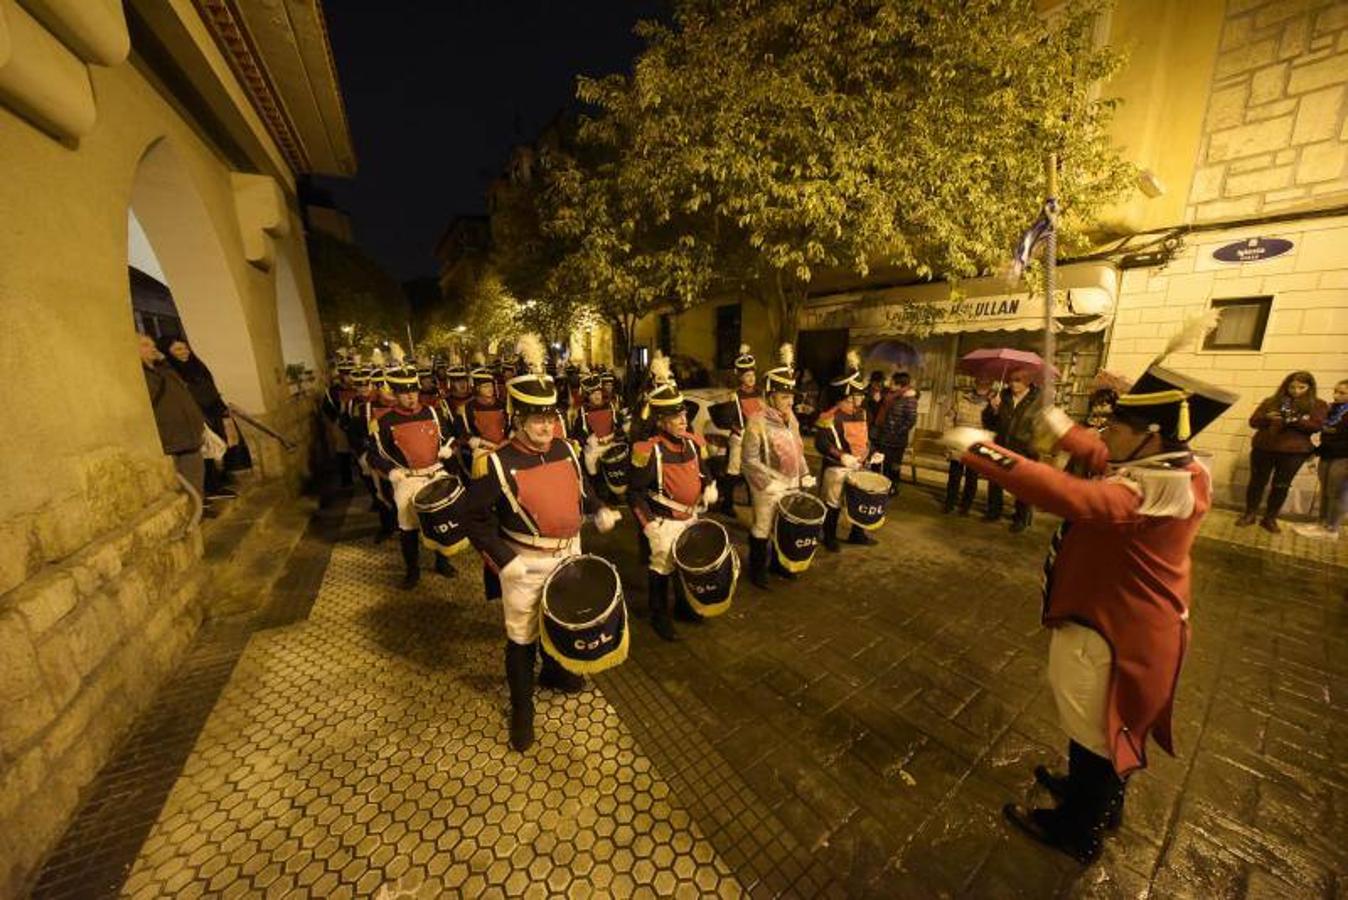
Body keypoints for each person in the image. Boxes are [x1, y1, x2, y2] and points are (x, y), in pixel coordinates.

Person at [945, 349, 1238, 865]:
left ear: (1151, 433)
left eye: (1118, 426)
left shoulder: (1154, 489)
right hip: (1121, 619)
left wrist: (984, 453)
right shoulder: (1168, 466)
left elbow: (1076, 497)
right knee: (1098, 728)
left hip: (1112, 629)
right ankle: (1095, 799)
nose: (1106, 435)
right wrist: (1059, 427)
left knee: (1098, 731)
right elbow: (1102, 456)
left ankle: (1079, 828)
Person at [462, 336, 621, 751]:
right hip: (525, 562)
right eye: (536, 420)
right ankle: (521, 708)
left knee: (562, 619)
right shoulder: (498, 462)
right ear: (517, 420)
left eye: (550, 418)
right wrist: (502, 558)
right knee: (522, 636)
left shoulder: (567, 451)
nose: (545, 427)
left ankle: (554, 671)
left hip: (570, 553)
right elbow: (471, 517)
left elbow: (582, 494)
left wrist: (598, 509)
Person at [629, 378, 717, 641]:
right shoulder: (648, 451)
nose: (682, 420)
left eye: (683, 414)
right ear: (660, 421)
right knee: (662, 569)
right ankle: (659, 615)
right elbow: (634, 493)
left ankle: (683, 606)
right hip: (663, 522)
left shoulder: (693, 443)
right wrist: (649, 526)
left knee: (686, 567)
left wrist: (710, 485)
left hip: (691, 516)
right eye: (675, 416)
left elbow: (705, 473)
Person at [367, 363, 457, 589]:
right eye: (405, 392)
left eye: (413, 391)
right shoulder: (383, 422)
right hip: (408, 479)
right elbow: (374, 455)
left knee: (440, 521)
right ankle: (412, 570)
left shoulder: (433, 412)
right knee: (408, 527)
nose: (411, 397)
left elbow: (448, 437)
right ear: (395, 394)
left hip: (436, 472)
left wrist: (447, 448)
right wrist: (391, 472)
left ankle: (442, 561)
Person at [742, 344, 814, 589]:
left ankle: (779, 564)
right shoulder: (756, 422)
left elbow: (798, 449)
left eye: (791, 396)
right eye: (785, 397)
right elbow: (749, 460)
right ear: (771, 396)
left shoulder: (791, 418)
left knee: (783, 525)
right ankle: (757, 570)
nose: (790, 401)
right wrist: (767, 483)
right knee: (762, 527)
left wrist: (804, 473)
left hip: (791, 483)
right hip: (768, 486)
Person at [1239, 371, 1328, 533]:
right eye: (1292, 387)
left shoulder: (1318, 404)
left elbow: (1316, 426)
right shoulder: (1271, 401)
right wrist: (1268, 418)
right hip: (1264, 448)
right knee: (1257, 482)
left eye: (1301, 387)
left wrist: (1293, 419)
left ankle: (1270, 518)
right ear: (1286, 386)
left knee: (1281, 485)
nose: (1296, 391)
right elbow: (1253, 421)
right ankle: (1250, 514)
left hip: (1294, 452)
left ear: (1310, 387)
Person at [815, 350, 883, 551]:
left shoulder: (862, 413)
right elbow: (822, 443)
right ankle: (829, 536)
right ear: (844, 396)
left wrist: (872, 453)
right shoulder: (829, 417)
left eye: (861, 396)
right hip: (837, 468)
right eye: (856, 396)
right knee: (833, 504)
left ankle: (857, 533)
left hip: (861, 465)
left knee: (860, 500)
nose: (860, 400)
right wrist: (842, 456)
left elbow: (864, 439)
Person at [158, 336, 237, 501]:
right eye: (178, 349)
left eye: (185, 348)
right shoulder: (172, 372)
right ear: (168, 352)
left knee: (216, 449)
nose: (184, 352)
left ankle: (217, 483)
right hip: (195, 417)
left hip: (212, 412)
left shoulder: (196, 366)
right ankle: (208, 489)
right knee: (204, 453)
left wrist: (221, 407)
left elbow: (210, 387)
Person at [139, 333, 208, 507]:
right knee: (180, 490)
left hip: (190, 437)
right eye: (146, 345)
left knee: (196, 482)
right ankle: (190, 518)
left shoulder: (163, 369)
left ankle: (197, 513)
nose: (153, 348)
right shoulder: (142, 376)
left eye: (153, 344)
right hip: (172, 440)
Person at [984, 368, 1044, 532]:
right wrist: (992, 409)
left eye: (1018, 380)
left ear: (1028, 381)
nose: (1013, 383)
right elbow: (989, 423)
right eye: (1011, 380)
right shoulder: (1002, 396)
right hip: (1002, 445)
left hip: (1025, 449)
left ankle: (1020, 517)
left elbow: (1043, 426)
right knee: (996, 481)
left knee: (1022, 486)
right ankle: (994, 511)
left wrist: (1032, 443)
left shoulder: (1038, 399)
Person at [1295, 379, 1348, 540]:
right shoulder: (1333, 410)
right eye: (1335, 391)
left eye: (1342, 393)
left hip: (1344, 458)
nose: (1336, 395)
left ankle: (1332, 529)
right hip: (1328, 455)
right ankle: (1321, 523)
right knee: (1325, 491)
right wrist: (1317, 451)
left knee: (1338, 494)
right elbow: (1328, 435)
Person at [717, 344, 762, 516]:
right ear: (741, 377)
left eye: (752, 375)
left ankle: (754, 501)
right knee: (733, 471)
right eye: (747, 376)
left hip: (756, 437)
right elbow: (727, 419)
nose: (751, 378)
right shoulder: (734, 395)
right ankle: (727, 504)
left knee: (754, 470)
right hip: (739, 436)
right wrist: (739, 430)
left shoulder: (759, 393)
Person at [944, 379, 994, 514]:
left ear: (991, 384)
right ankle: (949, 503)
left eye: (986, 383)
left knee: (972, 479)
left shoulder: (993, 403)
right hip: (958, 445)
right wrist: (949, 440)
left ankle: (965, 507)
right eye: (980, 382)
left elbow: (994, 426)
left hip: (977, 448)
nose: (982, 386)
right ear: (975, 383)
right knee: (954, 477)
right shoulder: (961, 400)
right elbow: (949, 419)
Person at [571, 373, 625, 482]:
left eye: (598, 393)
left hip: (613, 444)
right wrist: (590, 440)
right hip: (593, 448)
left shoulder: (611, 407)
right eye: (593, 394)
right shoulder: (582, 412)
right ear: (587, 396)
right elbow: (579, 435)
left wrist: (614, 435)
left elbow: (620, 427)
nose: (597, 396)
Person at [872, 371, 918, 496]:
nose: (890, 384)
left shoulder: (909, 398)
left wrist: (896, 432)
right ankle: (883, 487)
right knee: (883, 463)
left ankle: (893, 487)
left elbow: (911, 420)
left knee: (894, 464)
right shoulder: (891, 395)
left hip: (896, 439)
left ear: (900, 385)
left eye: (893, 382)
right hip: (884, 434)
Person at [322, 356, 357, 486]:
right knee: (343, 452)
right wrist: (337, 419)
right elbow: (327, 408)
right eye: (346, 374)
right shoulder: (333, 391)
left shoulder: (358, 388)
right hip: (340, 424)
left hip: (356, 422)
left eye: (351, 374)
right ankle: (346, 480)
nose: (349, 377)